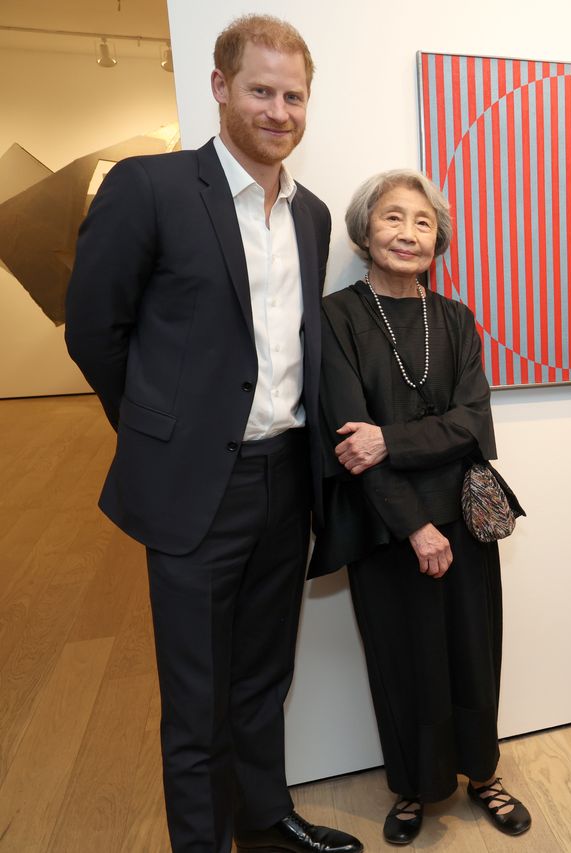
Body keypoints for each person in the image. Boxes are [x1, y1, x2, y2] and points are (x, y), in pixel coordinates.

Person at [64, 15, 362, 853]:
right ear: (220, 87)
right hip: (198, 488)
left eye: (293, 95)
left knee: (265, 677)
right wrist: (163, 431)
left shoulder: (311, 215)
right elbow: (94, 331)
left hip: (287, 478)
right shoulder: (150, 187)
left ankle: (264, 821)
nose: (279, 110)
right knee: (196, 696)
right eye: (261, 90)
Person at [308, 169, 530, 846]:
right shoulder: (334, 316)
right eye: (393, 217)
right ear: (365, 229)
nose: (408, 233)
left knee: (472, 654)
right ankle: (411, 786)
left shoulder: (455, 318)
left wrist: (391, 438)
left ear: (440, 238)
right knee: (404, 662)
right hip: (385, 525)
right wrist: (414, 526)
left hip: (465, 521)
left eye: (423, 221)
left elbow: (473, 425)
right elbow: (349, 442)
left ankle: (482, 773)